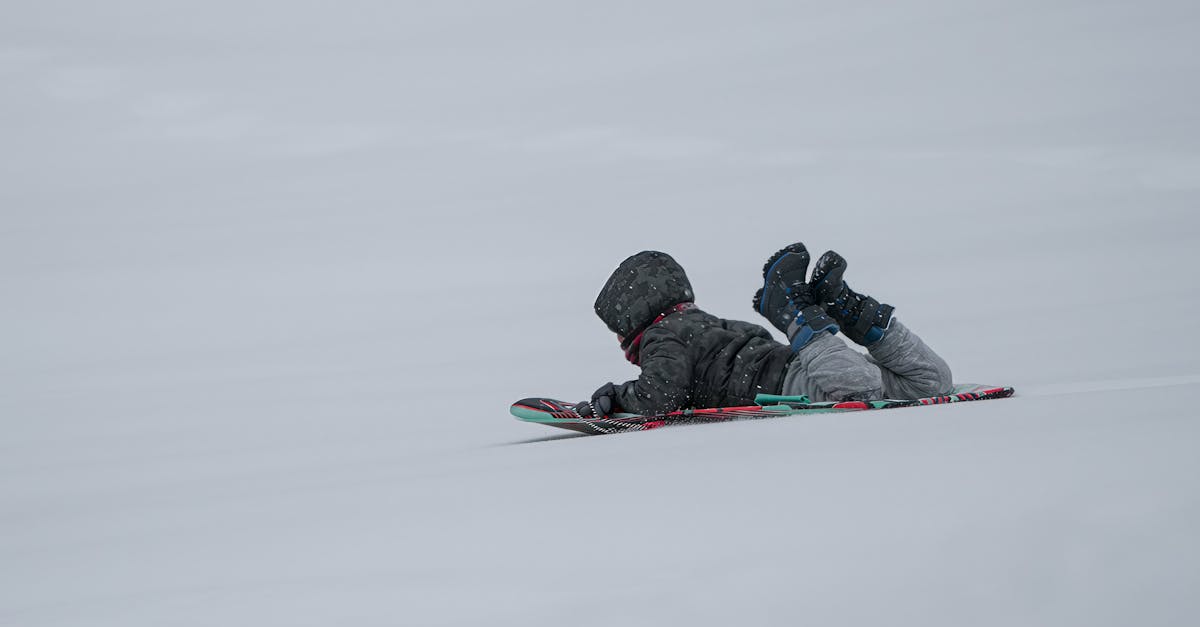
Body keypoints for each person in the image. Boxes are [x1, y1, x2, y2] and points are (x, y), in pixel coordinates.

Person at [577, 244, 953, 418]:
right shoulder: (710, 323)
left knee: (862, 389)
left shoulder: (663, 336)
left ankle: (795, 313)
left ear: (632, 322)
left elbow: (662, 395)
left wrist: (620, 398)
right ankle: (849, 310)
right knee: (933, 381)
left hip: (792, 386)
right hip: (812, 366)